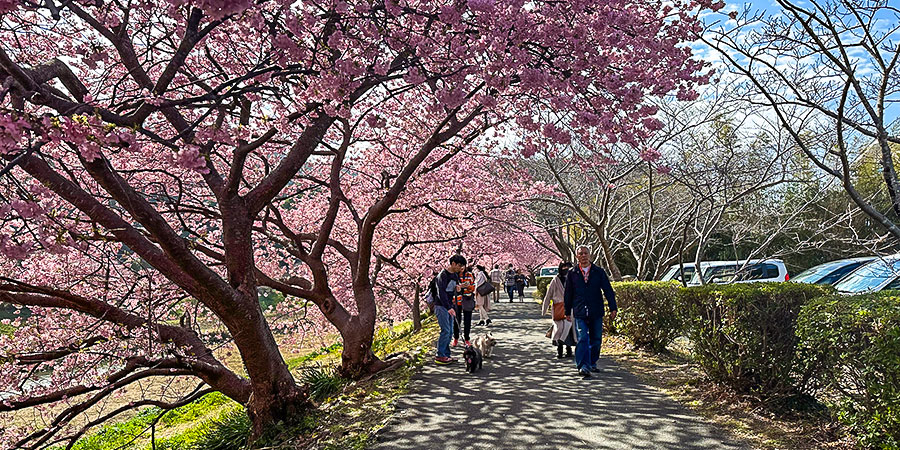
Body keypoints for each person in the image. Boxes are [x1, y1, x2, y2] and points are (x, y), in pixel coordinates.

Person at [564, 245, 617, 378]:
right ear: (577, 256)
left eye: (585, 253)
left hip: (596, 309)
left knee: (596, 339)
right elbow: (568, 293)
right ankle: (583, 365)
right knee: (582, 337)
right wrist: (567, 310)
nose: (583, 256)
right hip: (580, 310)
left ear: (590, 255)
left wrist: (613, 307)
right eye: (580, 254)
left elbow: (608, 290)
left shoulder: (598, 272)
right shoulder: (572, 273)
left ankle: (592, 362)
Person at [434, 254, 466, 365]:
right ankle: (440, 355)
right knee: (446, 330)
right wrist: (448, 308)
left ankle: (446, 355)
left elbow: (455, 288)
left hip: (450, 305)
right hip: (441, 306)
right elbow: (441, 293)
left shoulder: (455, 275)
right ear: (453, 263)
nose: (460, 268)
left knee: (450, 331)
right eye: (459, 265)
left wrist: (458, 288)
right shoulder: (442, 275)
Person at [542, 261, 575, 358]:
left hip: (570, 306)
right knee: (559, 328)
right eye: (564, 267)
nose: (566, 269)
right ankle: (559, 349)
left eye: (568, 267)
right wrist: (545, 308)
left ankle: (568, 349)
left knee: (568, 327)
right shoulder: (555, 280)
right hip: (558, 307)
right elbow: (548, 295)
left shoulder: (573, 279)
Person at [453, 264, 476, 347]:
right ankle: (455, 338)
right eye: (460, 266)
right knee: (456, 320)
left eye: (463, 266)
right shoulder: (454, 275)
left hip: (467, 299)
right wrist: (459, 287)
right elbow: (451, 287)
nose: (461, 268)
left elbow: (473, 288)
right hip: (457, 300)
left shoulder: (469, 275)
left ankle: (467, 339)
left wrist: (468, 286)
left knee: (467, 320)